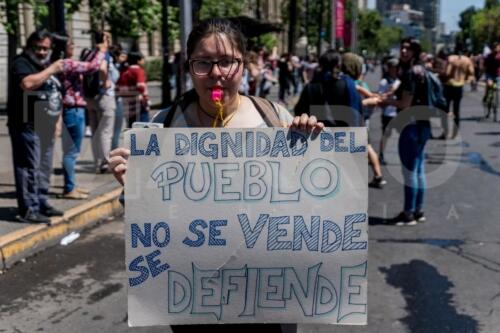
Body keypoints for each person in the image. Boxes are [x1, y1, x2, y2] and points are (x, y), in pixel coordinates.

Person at [109, 18, 323, 333]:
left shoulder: (276, 120)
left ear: (245, 64)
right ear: (189, 66)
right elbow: (147, 218)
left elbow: (309, 202)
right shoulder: (163, 126)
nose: (216, 73)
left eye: (227, 62)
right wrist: (132, 186)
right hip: (194, 292)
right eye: (203, 63)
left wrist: (312, 150)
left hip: (264, 293)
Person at [7, 30, 65, 223]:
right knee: (28, 168)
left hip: (45, 123)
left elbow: (56, 94)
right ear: (30, 45)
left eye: (45, 48)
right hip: (26, 124)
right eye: (38, 47)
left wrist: (58, 121)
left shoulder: (45, 64)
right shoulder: (21, 62)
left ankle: (41, 202)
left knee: (44, 167)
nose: (41, 52)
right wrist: (51, 70)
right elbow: (27, 83)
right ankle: (28, 209)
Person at [52, 33, 108, 199]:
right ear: (63, 48)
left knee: (71, 152)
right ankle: (69, 188)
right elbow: (92, 67)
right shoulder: (65, 64)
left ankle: (71, 186)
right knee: (70, 153)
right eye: (71, 44)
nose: (74, 47)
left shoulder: (63, 63)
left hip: (74, 110)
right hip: (72, 110)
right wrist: (102, 51)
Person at [383, 38, 432, 226]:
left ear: (415, 51)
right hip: (424, 124)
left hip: (410, 124)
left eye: (408, 49)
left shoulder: (412, 72)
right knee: (419, 169)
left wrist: (386, 102)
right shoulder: (423, 70)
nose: (403, 51)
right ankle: (418, 210)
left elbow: (405, 104)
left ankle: (408, 213)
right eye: (402, 48)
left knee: (410, 171)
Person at [341, 52, 386, 189]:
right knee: (366, 147)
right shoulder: (359, 84)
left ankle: (375, 176)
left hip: (354, 123)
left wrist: (367, 100)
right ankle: (377, 175)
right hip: (359, 121)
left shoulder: (347, 83)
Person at [83, 31, 118, 174]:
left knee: (95, 131)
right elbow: (103, 68)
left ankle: (97, 162)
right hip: (104, 97)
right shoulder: (104, 54)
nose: (109, 41)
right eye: (108, 38)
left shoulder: (88, 53)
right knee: (105, 132)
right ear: (104, 40)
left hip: (90, 98)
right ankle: (104, 163)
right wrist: (105, 82)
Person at [443, 44, 474, 139]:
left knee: (445, 109)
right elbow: (471, 73)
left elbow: (447, 72)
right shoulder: (467, 60)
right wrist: (465, 79)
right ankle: (455, 132)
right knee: (456, 110)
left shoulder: (451, 58)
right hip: (459, 85)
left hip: (449, 85)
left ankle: (445, 131)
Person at [117, 51, 150, 128]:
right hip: (139, 104)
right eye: (142, 59)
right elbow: (141, 86)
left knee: (131, 128)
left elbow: (119, 87)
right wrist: (145, 98)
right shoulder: (138, 71)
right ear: (138, 60)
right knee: (144, 129)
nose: (144, 61)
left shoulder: (125, 71)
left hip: (127, 105)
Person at [378, 57, 401, 165]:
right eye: (394, 67)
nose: (397, 70)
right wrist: (389, 93)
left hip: (399, 111)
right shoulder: (384, 81)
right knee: (386, 135)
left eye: (397, 67)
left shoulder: (401, 80)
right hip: (388, 112)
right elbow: (380, 97)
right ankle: (381, 155)